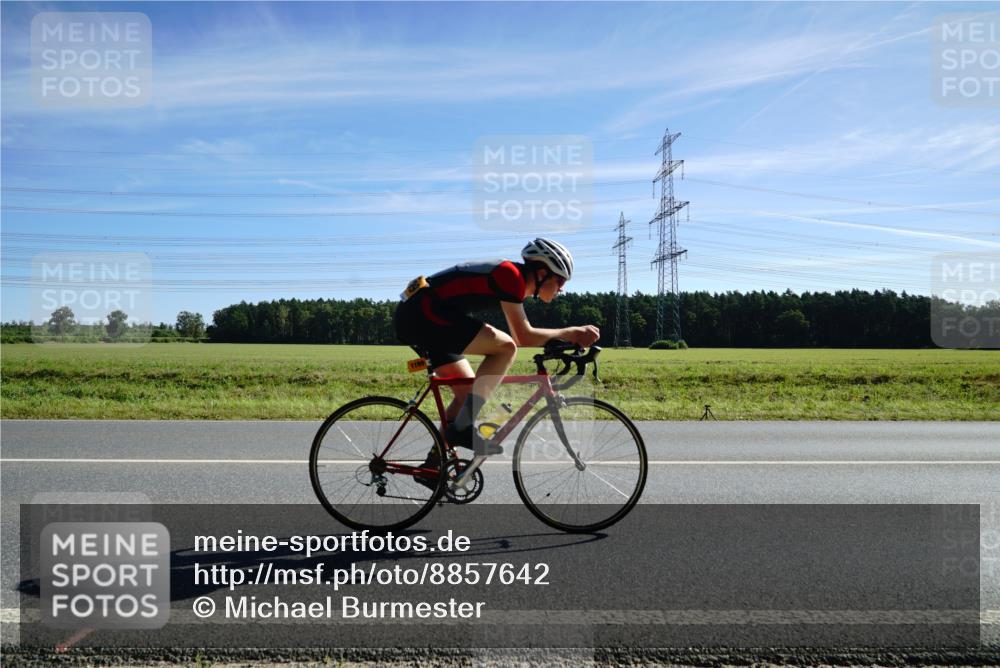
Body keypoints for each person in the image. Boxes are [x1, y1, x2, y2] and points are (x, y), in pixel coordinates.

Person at [393, 238, 600, 458]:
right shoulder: (510, 276)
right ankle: (461, 430)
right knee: (506, 348)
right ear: (542, 273)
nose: (562, 289)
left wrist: (564, 339)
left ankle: (435, 466)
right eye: (560, 281)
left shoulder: (513, 279)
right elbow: (522, 336)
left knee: (467, 394)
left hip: (422, 314)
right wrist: (573, 333)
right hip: (424, 314)